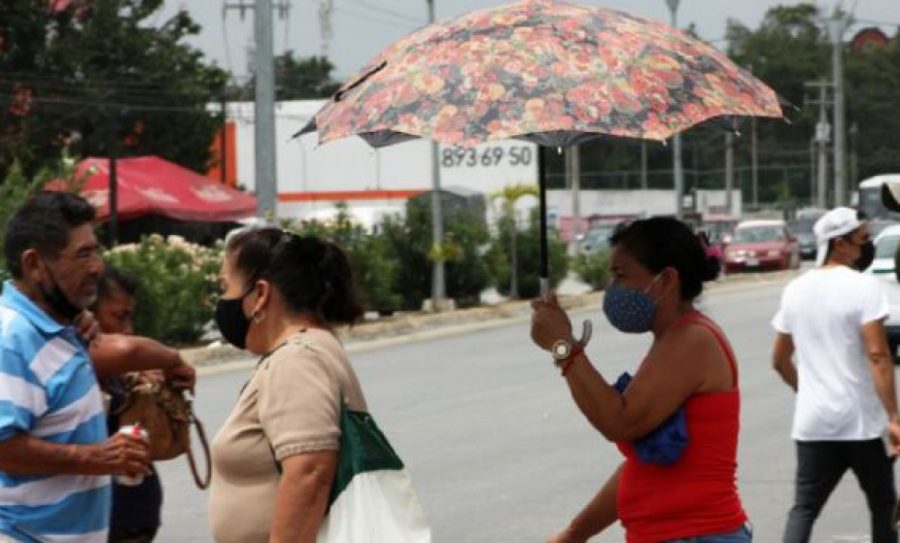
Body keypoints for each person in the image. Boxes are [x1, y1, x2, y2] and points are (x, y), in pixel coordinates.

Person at [531, 217, 750, 543]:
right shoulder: (675, 340)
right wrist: (574, 534)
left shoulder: (692, 340)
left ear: (667, 280)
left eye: (621, 275)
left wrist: (564, 347)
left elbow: (619, 422)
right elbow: (644, 467)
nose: (613, 288)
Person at [0, 192, 149, 542]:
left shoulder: (63, 325)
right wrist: (93, 457)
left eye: (96, 251)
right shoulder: (12, 338)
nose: (97, 267)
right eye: (83, 255)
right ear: (34, 264)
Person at [208, 227, 367, 542]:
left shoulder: (297, 359)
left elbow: (310, 472)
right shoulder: (307, 348)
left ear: (260, 295)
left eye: (226, 287)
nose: (222, 300)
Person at [771, 207, 900, 543]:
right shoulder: (864, 287)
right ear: (840, 244)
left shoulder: (795, 289)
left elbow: (780, 360)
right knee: (883, 506)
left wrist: (806, 390)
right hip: (861, 425)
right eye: (862, 239)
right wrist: (894, 417)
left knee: (804, 509)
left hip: (813, 424)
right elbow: (878, 355)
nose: (867, 245)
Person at [88, 267, 196, 543]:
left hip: (133, 517)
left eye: (130, 317)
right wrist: (171, 360)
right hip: (102, 522)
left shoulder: (124, 375)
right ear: (87, 315)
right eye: (119, 316)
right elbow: (131, 349)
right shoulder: (73, 369)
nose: (128, 329)